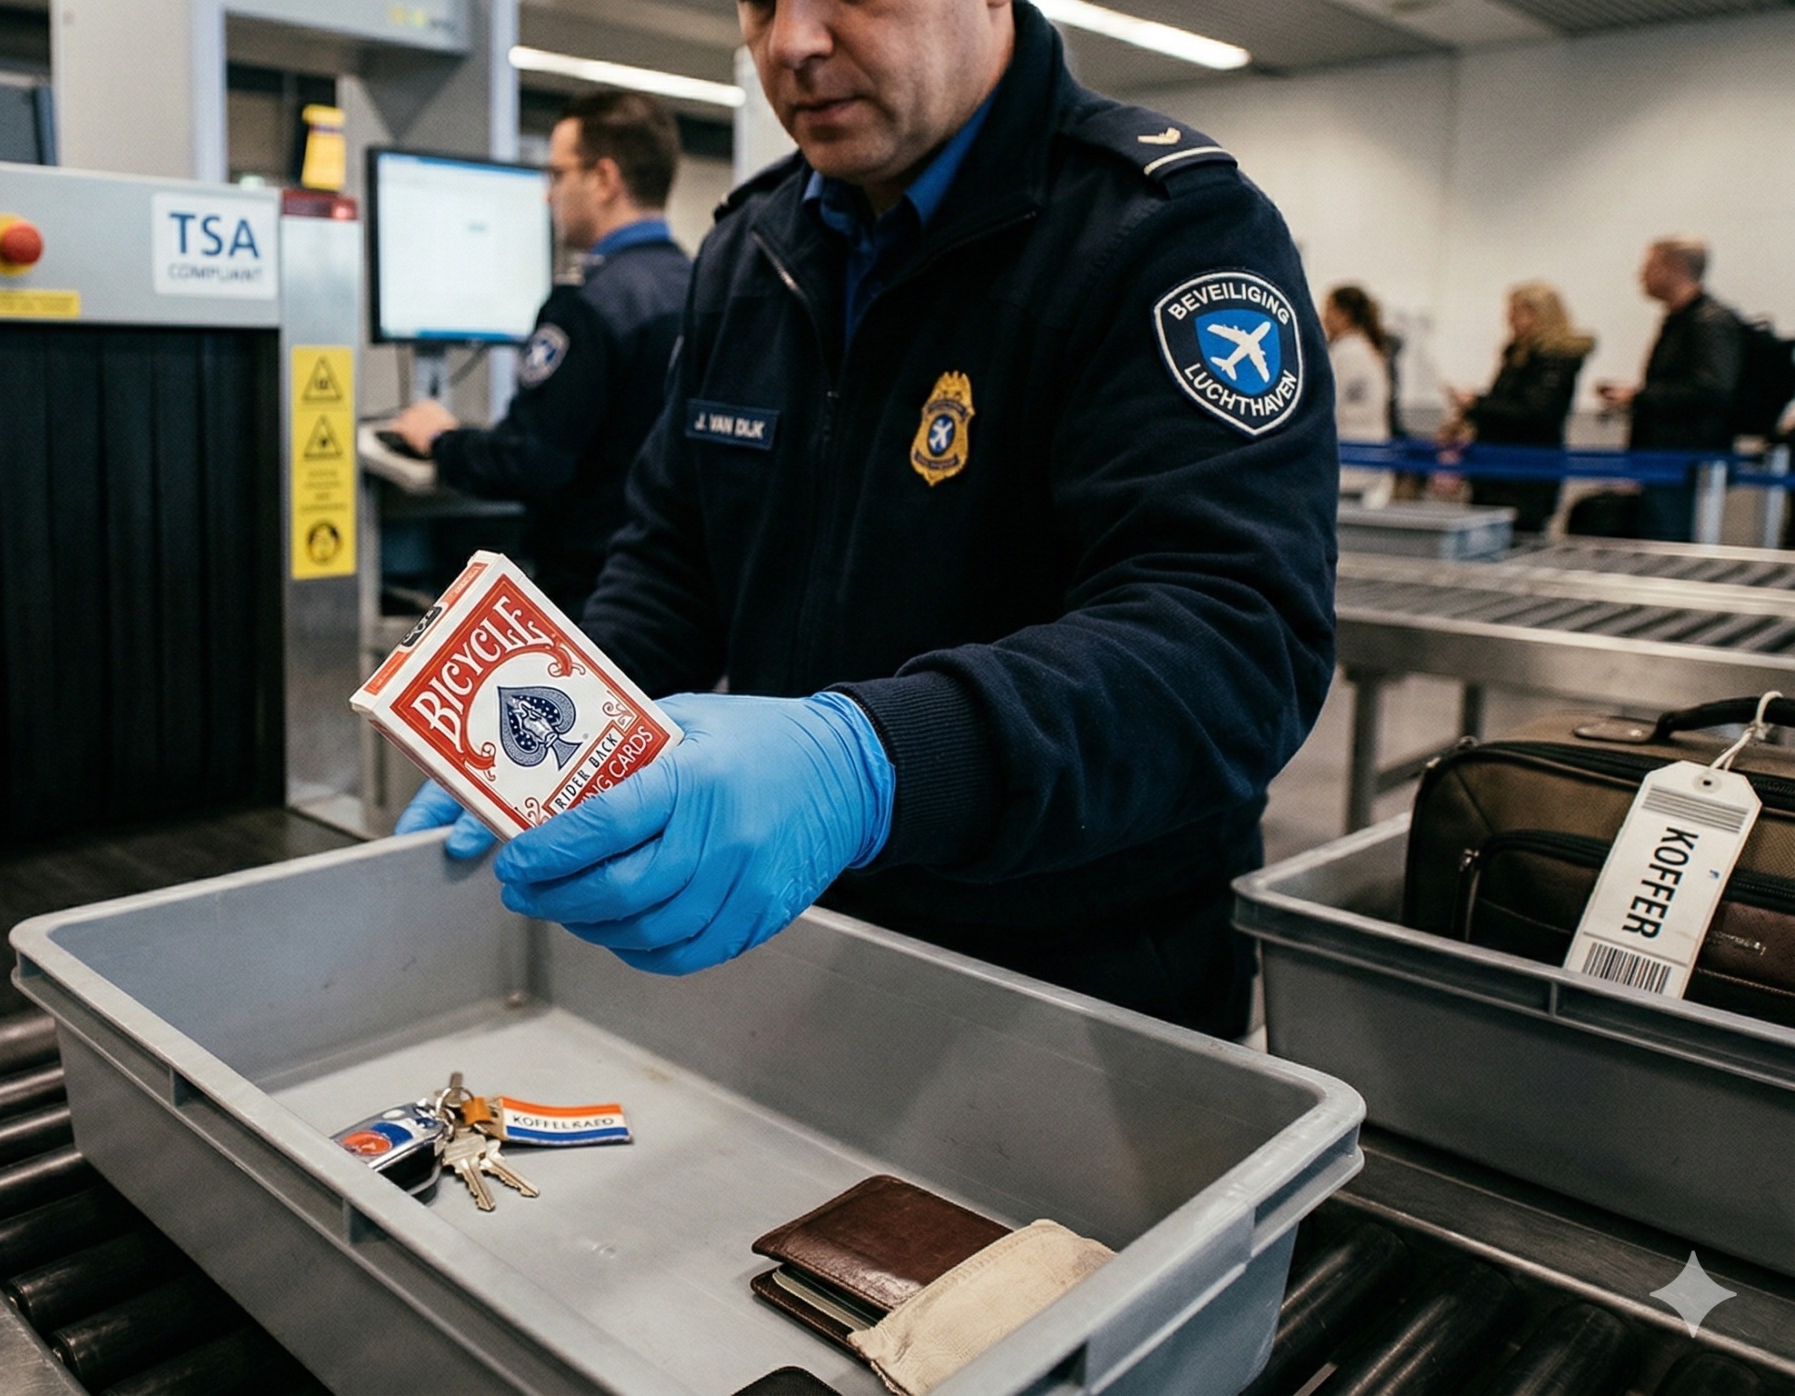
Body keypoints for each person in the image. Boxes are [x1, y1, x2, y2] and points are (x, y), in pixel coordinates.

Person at [401, 0, 1337, 1037]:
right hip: (793, 943)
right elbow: (674, 561)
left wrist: (875, 763)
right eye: (759, 3)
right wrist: (546, 733)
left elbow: (1232, 644)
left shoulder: (1158, 234)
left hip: (1072, 984)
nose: (791, 43)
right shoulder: (751, 251)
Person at [381, 91, 694, 615]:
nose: (548, 197)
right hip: (675, 595)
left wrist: (441, 440)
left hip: (595, 592)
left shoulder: (590, 305)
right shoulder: (699, 286)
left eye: (556, 175)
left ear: (604, 179)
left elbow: (531, 461)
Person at [1591, 236, 1743, 541]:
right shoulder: (1682, 320)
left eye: (1648, 267)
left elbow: (1711, 390)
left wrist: (1639, 397)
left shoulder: (1707, 322)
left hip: (1683, 461)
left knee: (1665, 540)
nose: (1640, 276)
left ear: (1675, 268)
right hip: (1663, 459)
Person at [1443, 282, 1595, 533]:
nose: (1509, 320)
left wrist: (1477, 404)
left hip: (1525, 471)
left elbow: (1537, 412)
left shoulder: (1554, 359)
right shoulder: (1516, 354)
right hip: (1495, 466)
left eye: (1516, 313)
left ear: (1539, 316)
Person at [1323, 284, 1394, 506]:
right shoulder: (1366, 349)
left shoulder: (1348, 353)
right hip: (1364, 457)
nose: (1323, 317)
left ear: (1343, 314)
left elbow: (1328, 404)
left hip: (1351, 458)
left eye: (1328, 309)